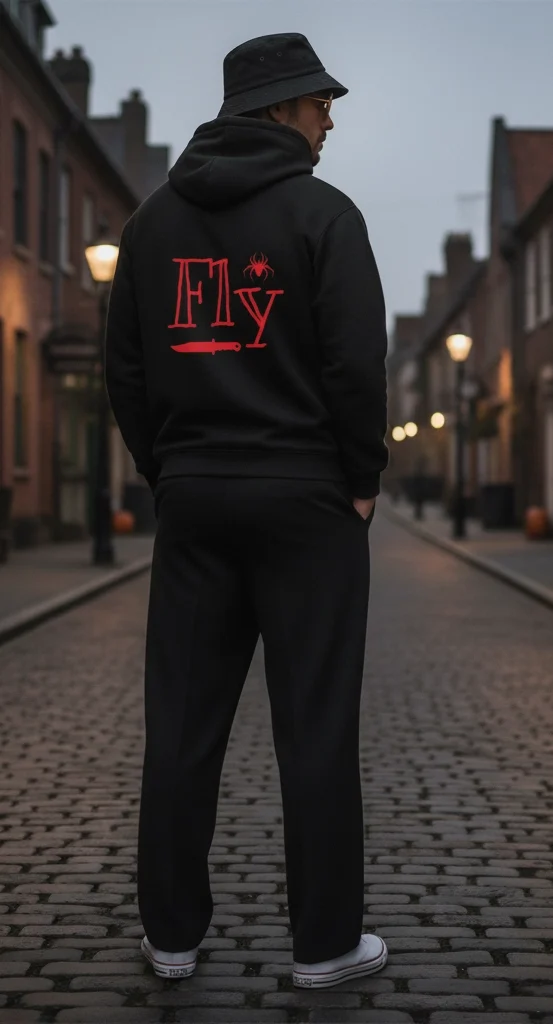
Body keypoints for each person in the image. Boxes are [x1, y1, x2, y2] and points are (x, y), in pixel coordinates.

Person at [105, 31, 389, 990]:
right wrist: (361, 477)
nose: (328, 118)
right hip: (308, 498)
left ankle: (172, 937)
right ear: (277, 109)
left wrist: (167, 472)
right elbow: (356, 366)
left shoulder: (148, 228)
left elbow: (128, 374)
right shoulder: (324, 215)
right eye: (317, 103)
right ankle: (322, 948)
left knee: (181, 726)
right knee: (314, 726)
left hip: (194, 500)